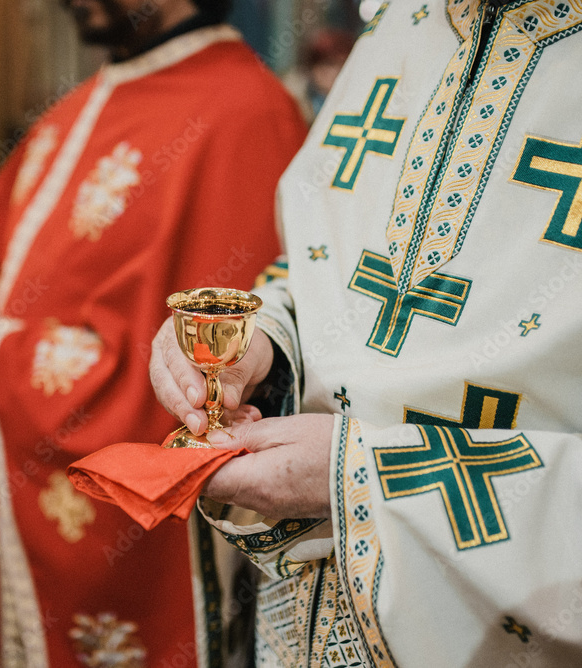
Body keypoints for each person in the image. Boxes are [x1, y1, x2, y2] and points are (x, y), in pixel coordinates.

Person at [149, 0, 582, 665]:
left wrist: (368, 478)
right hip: (304, 620)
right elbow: (334, 270)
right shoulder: (404, 26)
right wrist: (261, 343)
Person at [0, 0, 307, 664]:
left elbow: (206, 384)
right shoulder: (82, 105)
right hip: (8, 462)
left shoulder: (247, 115)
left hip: (126, 531)